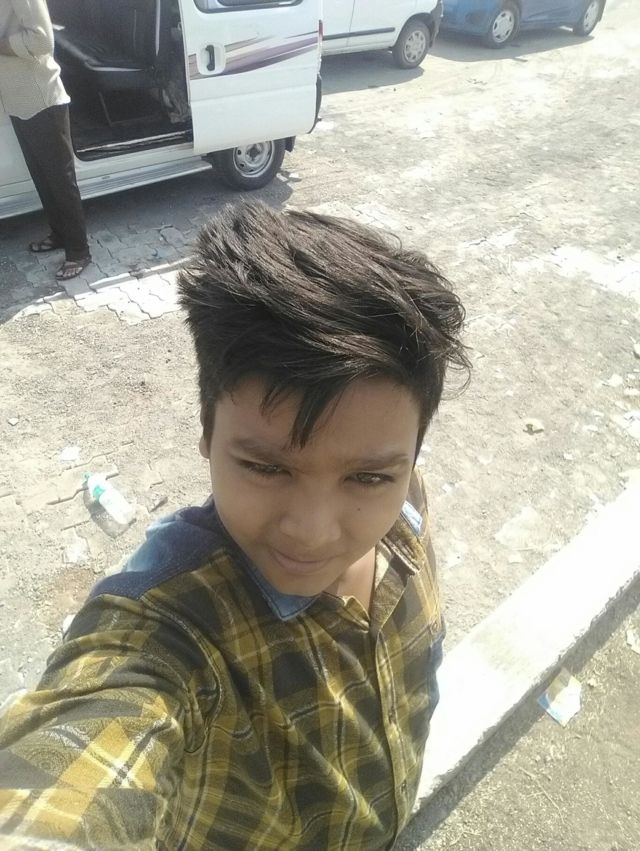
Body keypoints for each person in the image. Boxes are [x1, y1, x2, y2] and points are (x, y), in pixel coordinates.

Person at [0, 202, 469, 849]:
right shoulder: (168, 634)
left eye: (367, 478)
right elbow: (68, 774)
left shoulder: (407, 503)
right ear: (206, 434)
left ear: (411, 455)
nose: (312, 531)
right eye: (267, 467)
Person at [0, 0, 91, 281]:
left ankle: (79, 251)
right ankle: (60, 234)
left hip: (41, 97)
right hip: (17, 99)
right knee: (42, 177)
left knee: (60, 180)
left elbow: (42, 40)